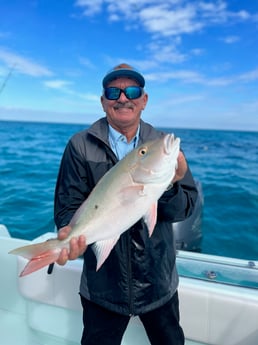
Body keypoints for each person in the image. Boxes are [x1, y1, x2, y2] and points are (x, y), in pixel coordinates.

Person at [54, 63, 198, 345]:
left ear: (144, 100)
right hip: (102, 286)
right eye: (113, 91)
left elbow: (184, 209)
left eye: (132, 90)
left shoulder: (162, 146)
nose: (123, 98)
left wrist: (169, 184)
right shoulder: (80, 145)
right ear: (103, 101)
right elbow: (66, 207)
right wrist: (68, 234)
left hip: (159, 283)